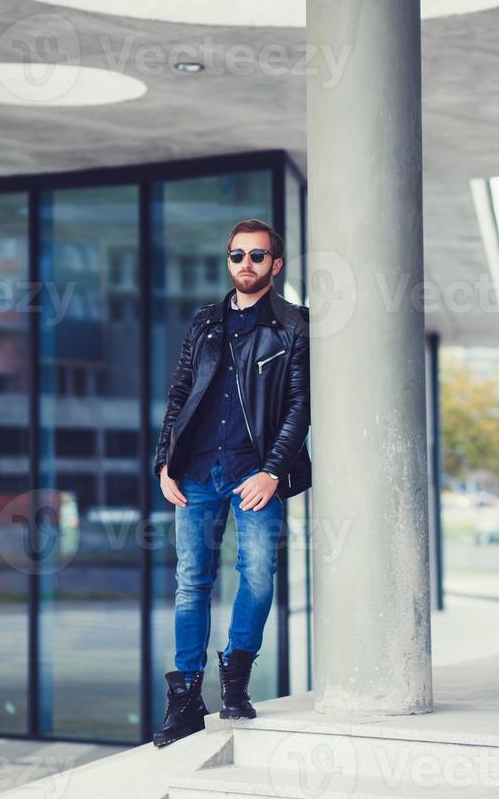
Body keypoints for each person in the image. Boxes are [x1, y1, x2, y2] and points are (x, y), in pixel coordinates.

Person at [152, 218, 311, 747]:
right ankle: (185, 700)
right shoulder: (204, 322)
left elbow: (297, 407)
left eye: (258, 257)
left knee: (259, 574)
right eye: (237, 256)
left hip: (254, 471)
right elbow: (179, 394)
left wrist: (273, 471)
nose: (246, 264)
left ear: (276, 264)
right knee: (190, 582)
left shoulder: (293, 325)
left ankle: (235, 682)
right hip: (195, 471)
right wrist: (163, 463)